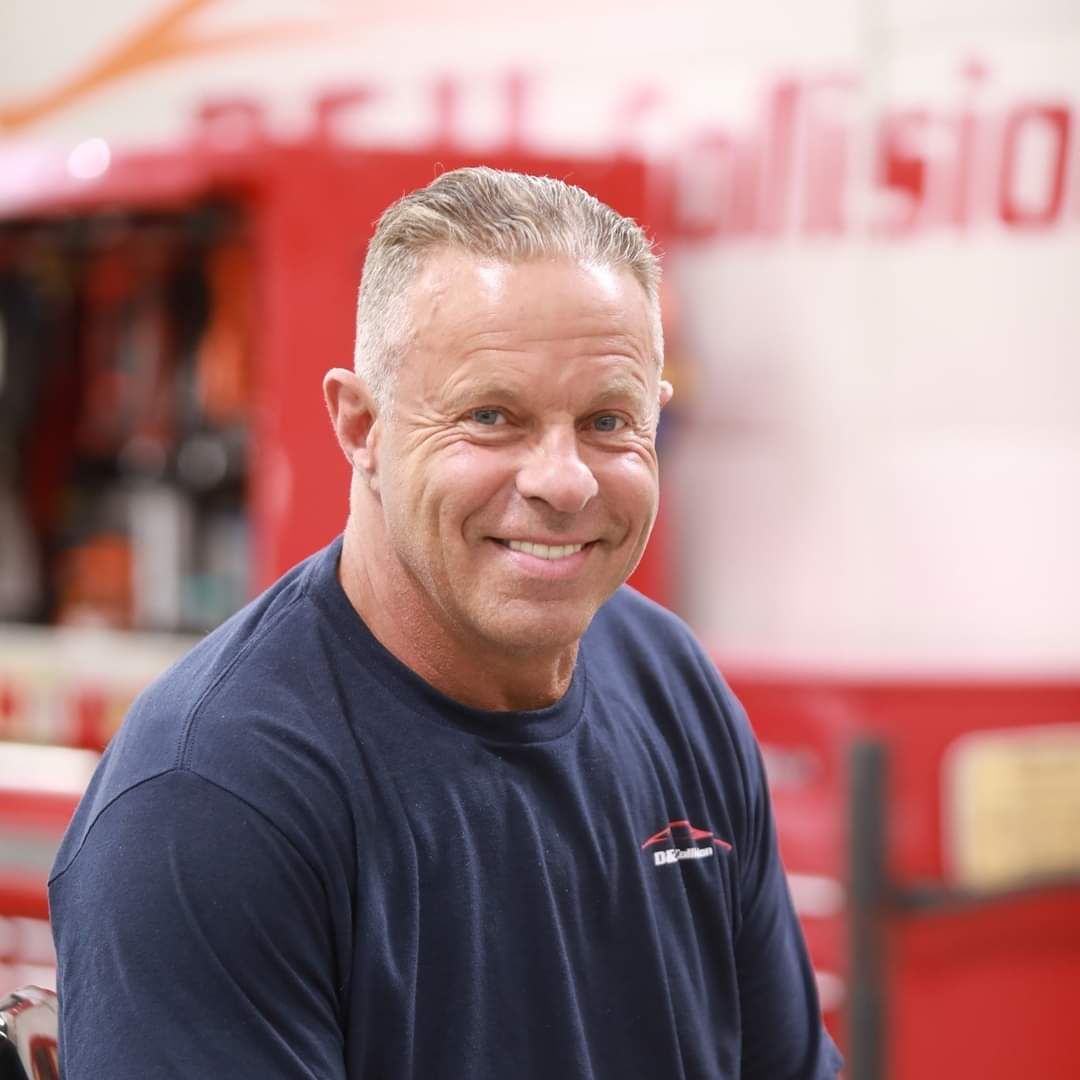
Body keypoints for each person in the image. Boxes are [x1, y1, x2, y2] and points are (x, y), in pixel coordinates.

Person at [49, 167, 843, 1078]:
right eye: (492, 416)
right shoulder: (207, 804)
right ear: (361, 426)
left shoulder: (671, 684)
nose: (564, 478)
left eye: (606, 421)